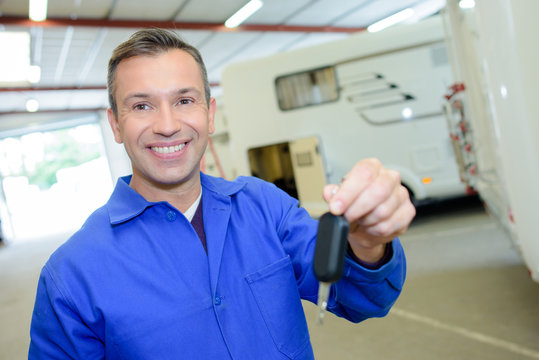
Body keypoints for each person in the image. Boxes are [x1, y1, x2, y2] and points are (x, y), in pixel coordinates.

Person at [29, 28, 415, 360]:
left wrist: (367, 243)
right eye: (142, 105)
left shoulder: (265, 208)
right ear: (115, 124)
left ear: (209, 113)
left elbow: (365, 297)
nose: (168, 125)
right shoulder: (71, 275)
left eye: (184, 100)